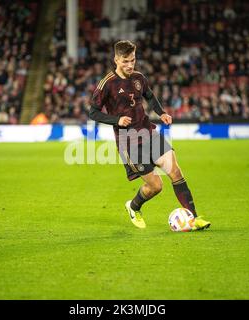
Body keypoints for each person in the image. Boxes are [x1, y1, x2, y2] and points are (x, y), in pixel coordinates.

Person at [88, 40, 211, 230]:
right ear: (116, 59)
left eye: (133, 60)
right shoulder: (107, 84)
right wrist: (117, 120)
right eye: (125, 61)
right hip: (128, 143)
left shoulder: (138, 78)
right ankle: (134, 206)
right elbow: (93, 112)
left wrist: (161, 112)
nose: (130, 65)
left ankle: (193, 219)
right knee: (156, 186)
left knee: (176, 171)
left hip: (149, 133)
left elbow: (150, 96)